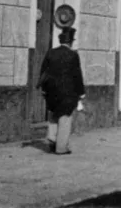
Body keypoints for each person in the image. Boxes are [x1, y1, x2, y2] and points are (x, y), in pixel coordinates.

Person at [38, 26, 86, 155]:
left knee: (54, 114)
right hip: (67, 92)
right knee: (65, 117)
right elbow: (77, 75)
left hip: (51, 91)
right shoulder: (73, 55)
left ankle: (52, 139)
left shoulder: (51, 53)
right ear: (70, 42)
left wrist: (43, 89)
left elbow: (43, 72)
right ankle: (61, 148)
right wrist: (81, 92)